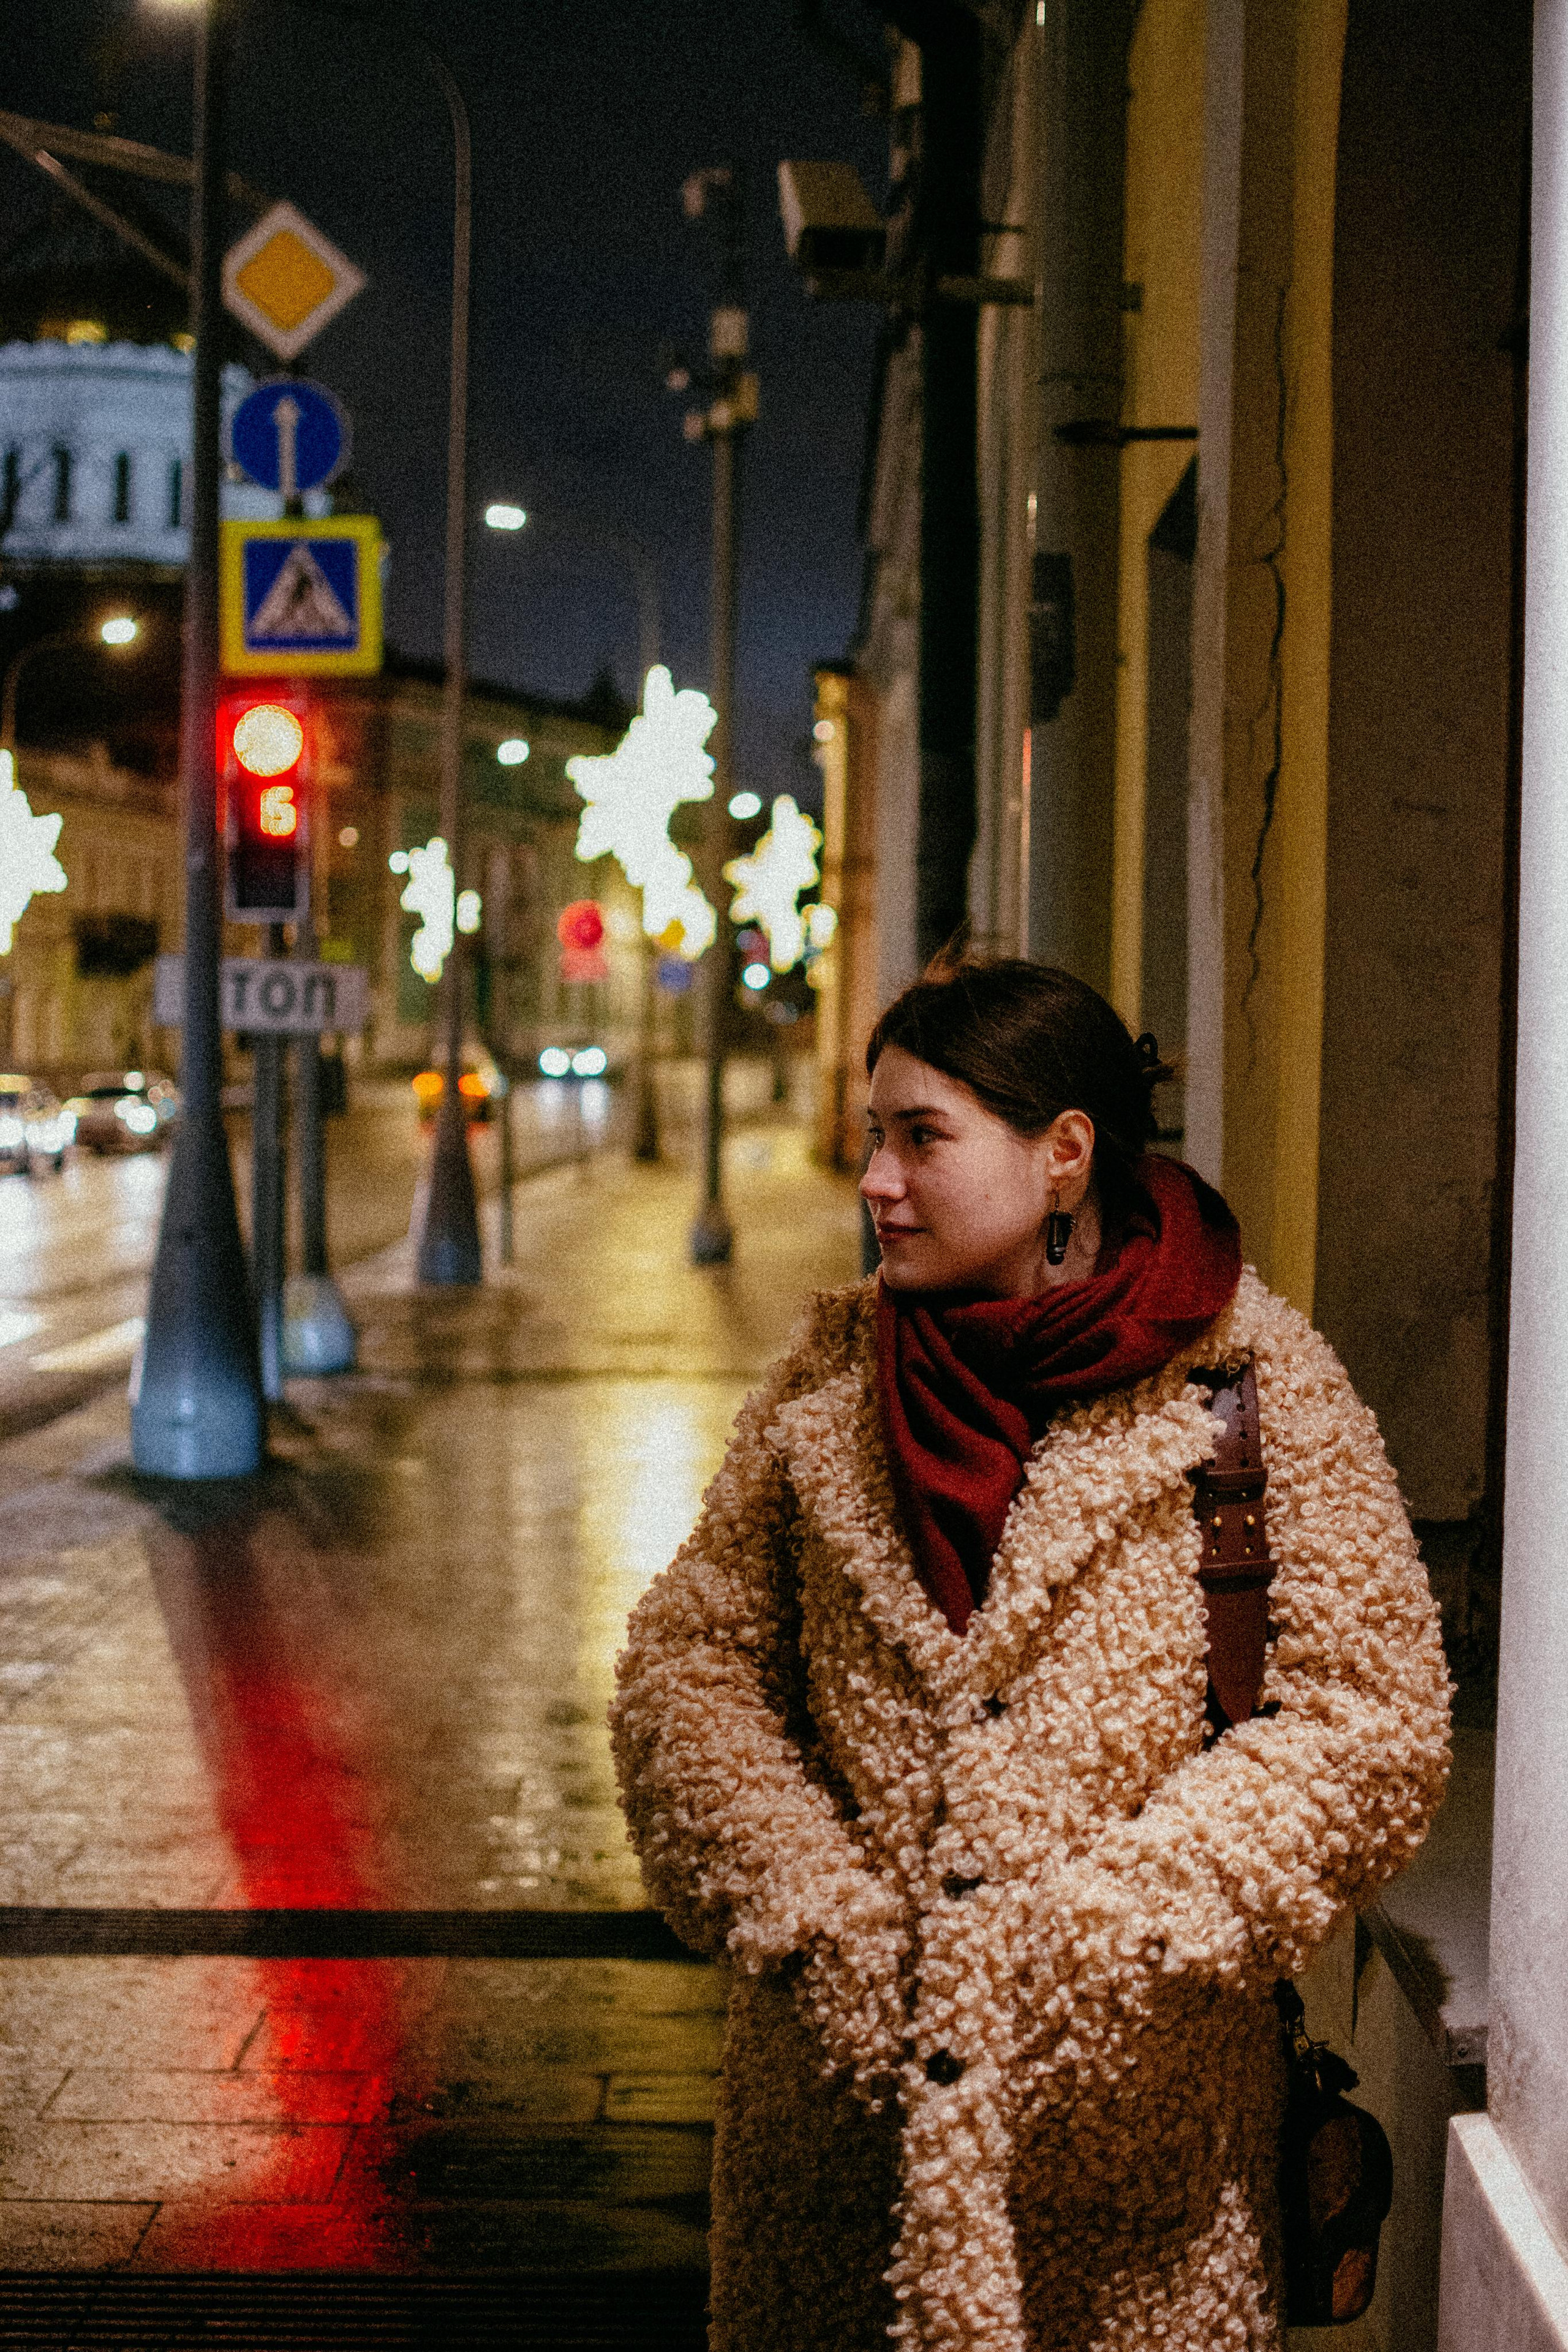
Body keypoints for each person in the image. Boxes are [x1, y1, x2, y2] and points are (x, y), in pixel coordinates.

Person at [610, 957, 1450, 2352]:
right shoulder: (824, 1387)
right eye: (873, 1135)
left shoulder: (1252, 1390)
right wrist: (822, 1931)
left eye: (921, 1138)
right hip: (836, 2163)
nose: (875, 1180)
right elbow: (685, 1676)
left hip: (1137, 2168)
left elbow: (1366, 1720)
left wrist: (1095, 1945)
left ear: (1063, 1154)